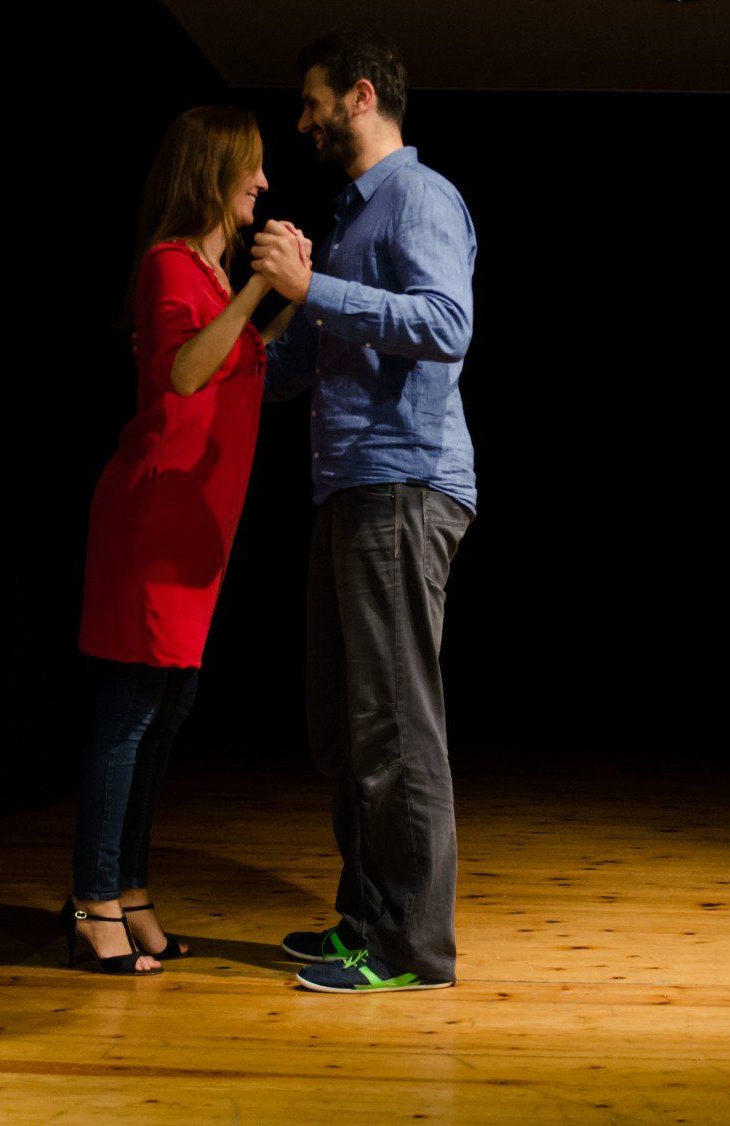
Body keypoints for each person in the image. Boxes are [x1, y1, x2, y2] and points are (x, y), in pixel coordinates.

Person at [252, 29, 478, 994]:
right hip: (348, 486)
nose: (301, 122)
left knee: (392, 724)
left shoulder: (417, 197)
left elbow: (447, 323)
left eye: (312, 102)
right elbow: (289, 371)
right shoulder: (346, 222)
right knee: (340, 727)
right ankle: (366, 922)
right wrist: (251, 311)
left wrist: (317, 288)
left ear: (360, 96)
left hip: (402, 483)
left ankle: (411, 950)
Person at [63, 106, 309, 975]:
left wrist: (287, 304)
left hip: (196, 531)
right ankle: (93, 900)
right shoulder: (171, 263)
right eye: (252, 166)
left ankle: (129, 890)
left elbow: (240, 366)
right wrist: (257, 291)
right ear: (214, 170)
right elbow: (184, 371)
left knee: (168, 711)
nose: (264, 182)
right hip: (154, 519)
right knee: (134, 708)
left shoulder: (209, 274)